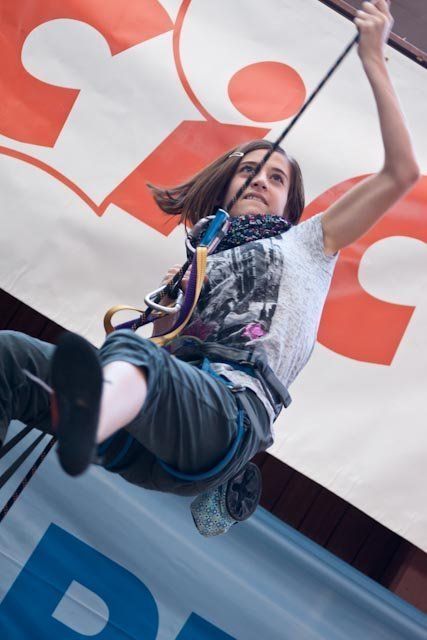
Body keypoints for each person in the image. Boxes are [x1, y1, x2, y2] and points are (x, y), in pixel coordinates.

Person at [0, 1, 419, 507]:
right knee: (8, 357)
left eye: (277, 178)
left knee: (133, 358)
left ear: (290, 205)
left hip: (226, 419)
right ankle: (91, 407)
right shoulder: (197, 260)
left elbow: (402, 172)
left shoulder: (310, 243)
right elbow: (164, 353)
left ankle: (90, 408)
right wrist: (170, 315)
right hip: (149, 434)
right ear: (225, 185)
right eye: (249, 171)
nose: (260, 180)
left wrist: (373, 58)